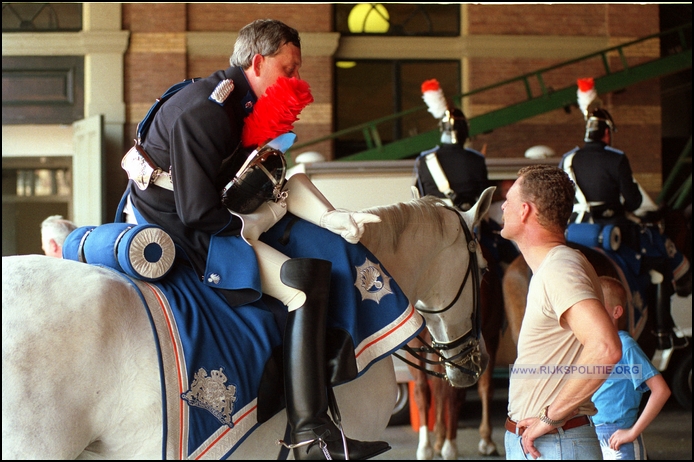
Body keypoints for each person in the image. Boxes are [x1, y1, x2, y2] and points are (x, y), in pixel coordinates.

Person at [119, 19, 393, 460]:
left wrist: (330, 215)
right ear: (258, 62)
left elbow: (264, 180)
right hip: (180, 227)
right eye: (290, 69)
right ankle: (311, 434)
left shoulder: (236, 104)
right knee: (303, 285)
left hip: (192, 214)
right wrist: (259, 221)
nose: (297, 81)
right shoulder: (209, 110)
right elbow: (197, 211)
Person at [500, 165, 622, 460]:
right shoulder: (555, 267)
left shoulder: (560, 268)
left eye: (509, 199)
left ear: (525, 211)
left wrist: (549, 417)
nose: (503, 206)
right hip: (551, 444)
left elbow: (605, 348)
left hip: (556, 444)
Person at [559, 107, 691, 349]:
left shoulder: (567, 159)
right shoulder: (616, 158)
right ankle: (662, 331)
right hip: (611, 232)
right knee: (659, 269)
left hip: (574, 232)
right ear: (606, 133)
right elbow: (634, 201)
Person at [414, 78, 518, 271]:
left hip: (434, 229)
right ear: (464, 131)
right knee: (509, 263)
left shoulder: (424, 160)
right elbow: (483, 196)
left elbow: (419, 195)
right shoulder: (476, 159)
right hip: (469, 228)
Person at [592, 276, 671, 460]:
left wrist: (632, 432)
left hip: (618, 439)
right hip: (592, 436)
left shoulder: (625, 346)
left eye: (596, 306)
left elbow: (661, 391)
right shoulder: (592, 348)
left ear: (616, 312)